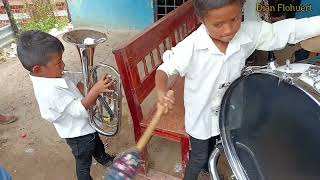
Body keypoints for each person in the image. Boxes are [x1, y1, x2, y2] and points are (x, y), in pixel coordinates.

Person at [155, 0, 320, 179]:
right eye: (218, 24)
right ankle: (201, 170)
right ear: (202, 20)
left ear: (241, 11)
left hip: (230, 108)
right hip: (200, 115)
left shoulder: (247, 32)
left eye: (234, 19)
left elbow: (287, 30)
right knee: (199, 156)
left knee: (226, 142)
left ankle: (212, 165)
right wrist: (162, 91)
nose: (228, 30)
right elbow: (165, 69)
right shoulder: (192, 46)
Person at [16, 30, 115, 180]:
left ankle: (103, 158)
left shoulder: (54, 75)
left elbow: (75, 81)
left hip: (87, 125)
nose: (63, 65)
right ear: (38, 69)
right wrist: (94, 92)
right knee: (83, 161)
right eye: (58, 63)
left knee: (96, 142)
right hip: (77, 135)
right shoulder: (49, 92)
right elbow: (78, 111)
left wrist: (92, 89)